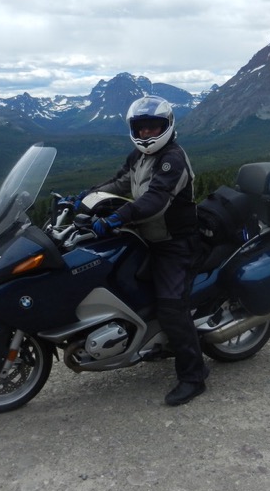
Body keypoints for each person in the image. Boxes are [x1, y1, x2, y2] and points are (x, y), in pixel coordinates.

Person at [84, 95, 208, 406]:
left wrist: (117, 217)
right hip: (146, 239)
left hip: (175, 244)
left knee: (171, 305)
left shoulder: (173, 158)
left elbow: (155, 199)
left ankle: (194, 376)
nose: (147, 134)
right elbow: (119, 183)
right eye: (141, 129)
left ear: (166, 127)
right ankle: (159, 341)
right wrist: (85, 199)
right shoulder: (137, 157)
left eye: (154, 128)